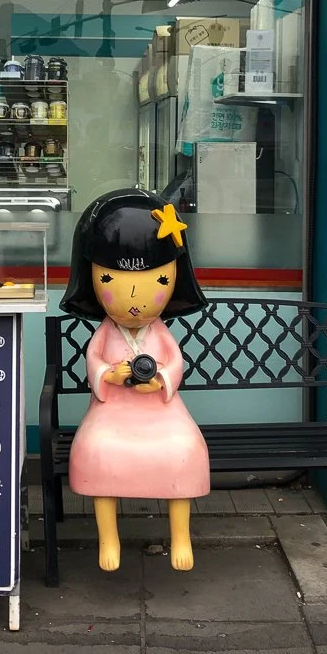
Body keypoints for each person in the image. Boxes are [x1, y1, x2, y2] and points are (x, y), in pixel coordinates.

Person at [60, 188, 210, 573]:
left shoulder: (159, 332)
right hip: (113, 409)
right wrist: (108, 374)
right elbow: (94, 360)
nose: (133, 299)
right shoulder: (107, 333)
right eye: (108, 278)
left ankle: (181, 534)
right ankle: (107, 538)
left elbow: (175, 361)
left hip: (161, 409)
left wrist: (159, 378)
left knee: (184, 448)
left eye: (158, 280)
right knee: (98, 448)